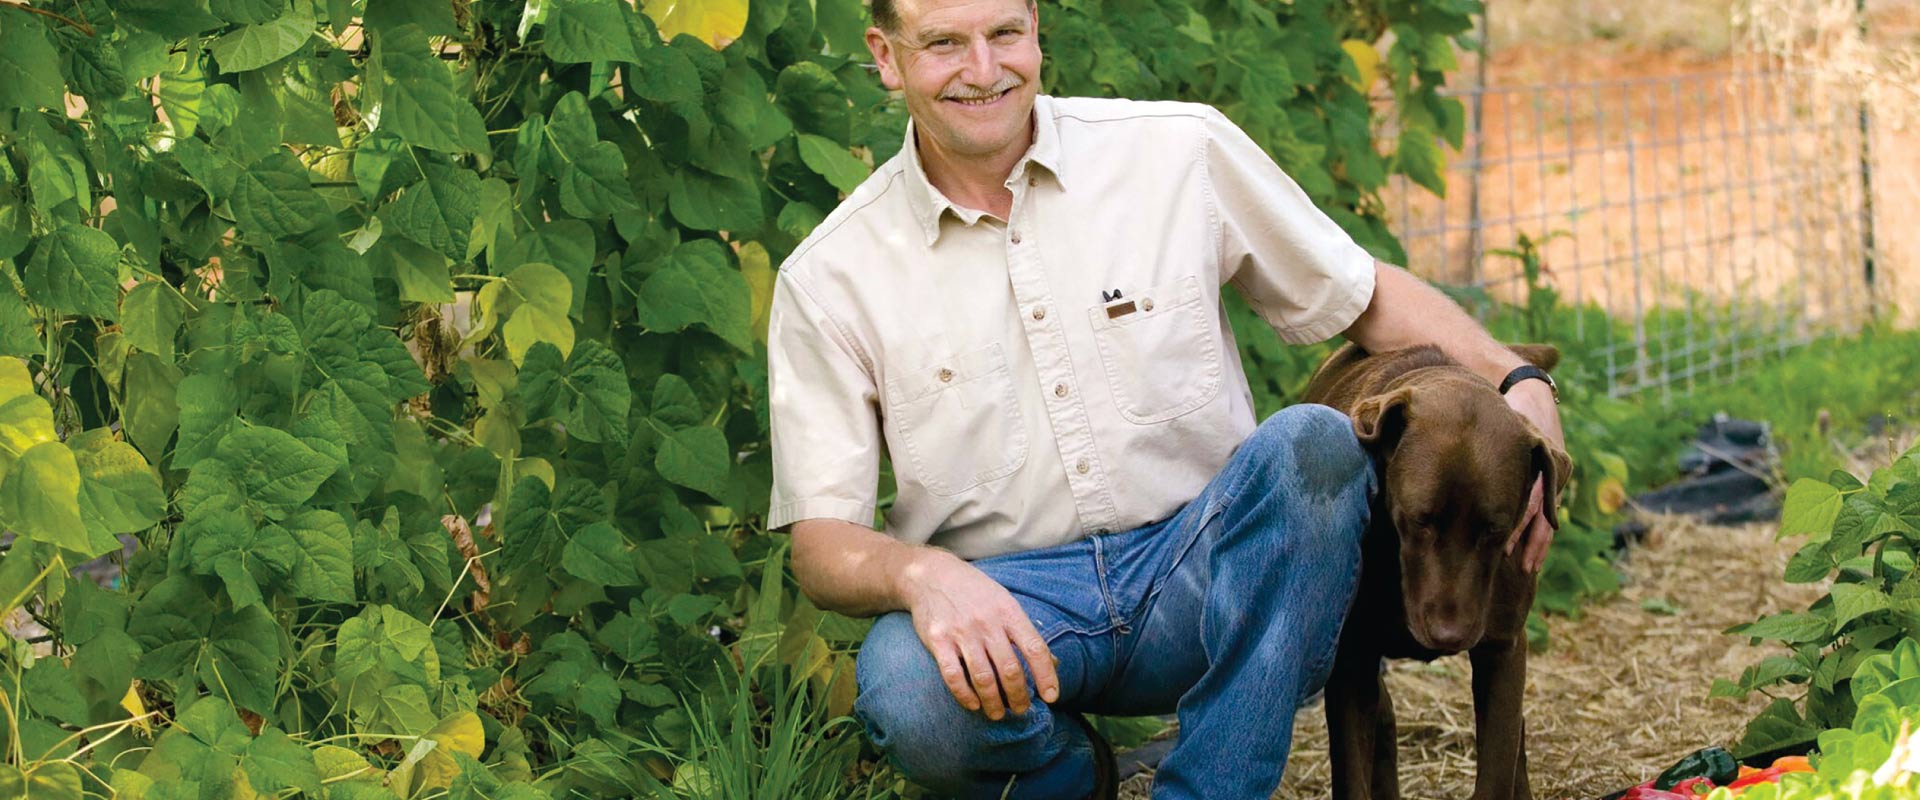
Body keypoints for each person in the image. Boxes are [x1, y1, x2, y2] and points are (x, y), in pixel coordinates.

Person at [763, 0, 1566, 796]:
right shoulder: (832, 276)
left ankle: (1210, 787)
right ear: (885, 55)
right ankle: (1082, 779)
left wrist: (1516, 377)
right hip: (1016, 605)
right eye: (943, 43)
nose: (983, 69)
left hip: (1202, 569)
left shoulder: (1177, 150)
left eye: (1004, 33)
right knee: (904, 685)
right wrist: (922, 578)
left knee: (1316, 445)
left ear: (1036, 31)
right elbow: (822, 543)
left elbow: (1361, 297)